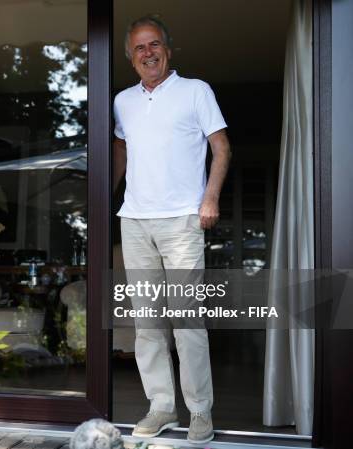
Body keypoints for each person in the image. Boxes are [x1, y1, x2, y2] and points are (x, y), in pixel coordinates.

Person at [112, 16, 231, 445]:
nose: (148, 53)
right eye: (140, 48)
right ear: (131, 57)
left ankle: (200, 412)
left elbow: (221, 147)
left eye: (155, 44)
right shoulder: (122, 101)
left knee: (186, 321)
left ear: (168, 49)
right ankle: (161, 406)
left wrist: (210, 198)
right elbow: (121, 150)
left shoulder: (195, 91)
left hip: (183, 219)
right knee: (146, 323)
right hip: (135, 221)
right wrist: (103, 199)